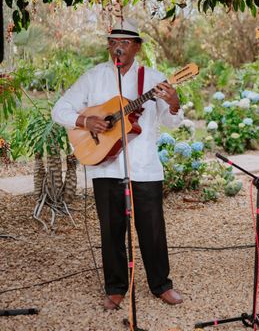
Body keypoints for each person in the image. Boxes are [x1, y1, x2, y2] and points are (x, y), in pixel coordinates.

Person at [52, 18, 184, 310]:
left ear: (137, 47)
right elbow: (59, 109)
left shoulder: (152, 78)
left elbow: (171, 121)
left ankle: (161, 285)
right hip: (104, 165)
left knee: (152, 228)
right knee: (111, 230)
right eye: (113, 43)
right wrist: (85, 120)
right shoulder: (94, 76)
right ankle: (115, 287)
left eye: (124, 43)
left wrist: (173, 102)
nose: (118, 48)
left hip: (145, 167)